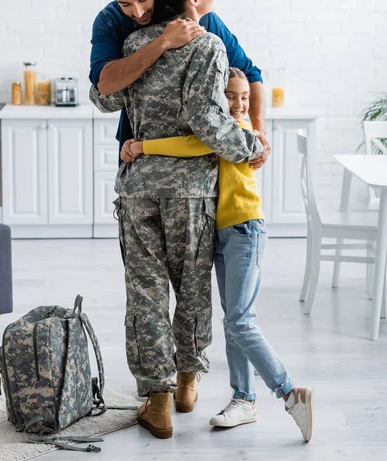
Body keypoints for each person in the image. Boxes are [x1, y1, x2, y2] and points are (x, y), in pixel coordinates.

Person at [89, 0, 263, 440]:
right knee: (191, 288)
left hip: (138, 184)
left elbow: (104, 98)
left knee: (145, 292)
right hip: (191, 191)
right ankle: (188, 383)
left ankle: (158, 401)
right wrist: (251, 145)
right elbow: (206, 120)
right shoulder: (208, 45)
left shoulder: (130, 45)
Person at [123, 68, 315, 443]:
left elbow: (192, 145)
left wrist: (142, 146)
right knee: (233, 321)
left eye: (243, 96)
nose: (239, 104)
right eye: (230, 95)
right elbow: (192, 140)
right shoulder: (222, 129)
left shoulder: (238, 134)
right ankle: (244, 398)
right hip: (221, 233)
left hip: (245, 231)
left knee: (241, 322)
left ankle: (291, 393)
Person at [89, 0, 270, 169]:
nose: (137, 12)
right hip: (136, 147)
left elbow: (249, 73)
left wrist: (259, 132)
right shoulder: (111, 20)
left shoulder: (204, 21)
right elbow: (104, 85)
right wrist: (163, 42)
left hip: (196, 152)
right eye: (125, 4)